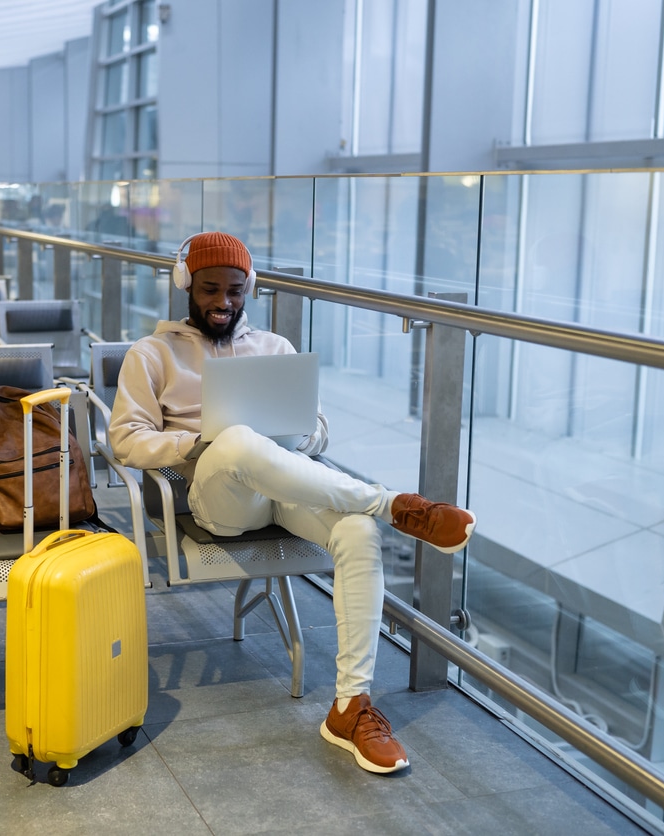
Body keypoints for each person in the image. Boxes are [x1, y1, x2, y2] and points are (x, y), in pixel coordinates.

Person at [109, 231, 477, 776]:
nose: (223, 302)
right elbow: (125, 439)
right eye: (210, 290)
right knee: (234, 439)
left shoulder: (275, 349)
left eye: (235, 291)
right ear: (187, 285)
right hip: (217, 501)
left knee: (356, 532)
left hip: (283, 491)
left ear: (249, 289)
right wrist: (196, 444)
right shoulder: (152, 354)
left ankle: (351, 707)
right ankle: (392, 502)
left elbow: (320, 430)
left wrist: (292, 439)